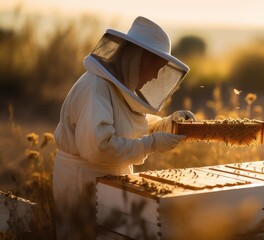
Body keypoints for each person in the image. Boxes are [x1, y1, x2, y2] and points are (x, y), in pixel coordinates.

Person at [52, 16, 195, 239]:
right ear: (136, 59)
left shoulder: (118, 88)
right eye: (154, 68)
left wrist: (169, 124)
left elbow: (132, 127)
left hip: (107, 180)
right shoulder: (96, 87)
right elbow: (99, 147)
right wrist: (152, 144)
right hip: (82, 183)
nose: (156, 76)